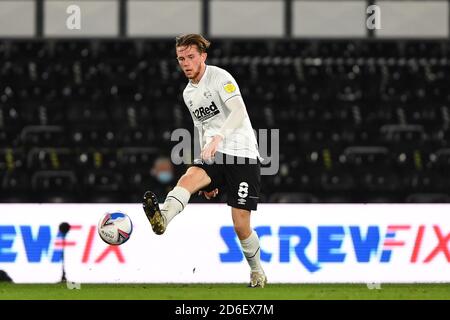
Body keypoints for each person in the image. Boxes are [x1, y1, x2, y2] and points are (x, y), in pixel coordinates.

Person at [142, 34, 266, 288]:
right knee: (189, 177)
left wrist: (219, 138)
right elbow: (201, 128)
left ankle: (257, 271)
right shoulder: (189, 93)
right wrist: (205, 164)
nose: (185, 63)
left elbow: (239, 111)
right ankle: (162, 218)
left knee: (241, 225)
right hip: (214, 154)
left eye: (190, 57)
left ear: (203, 57)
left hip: (242, 154)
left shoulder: (221, 78)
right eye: (180, 59)